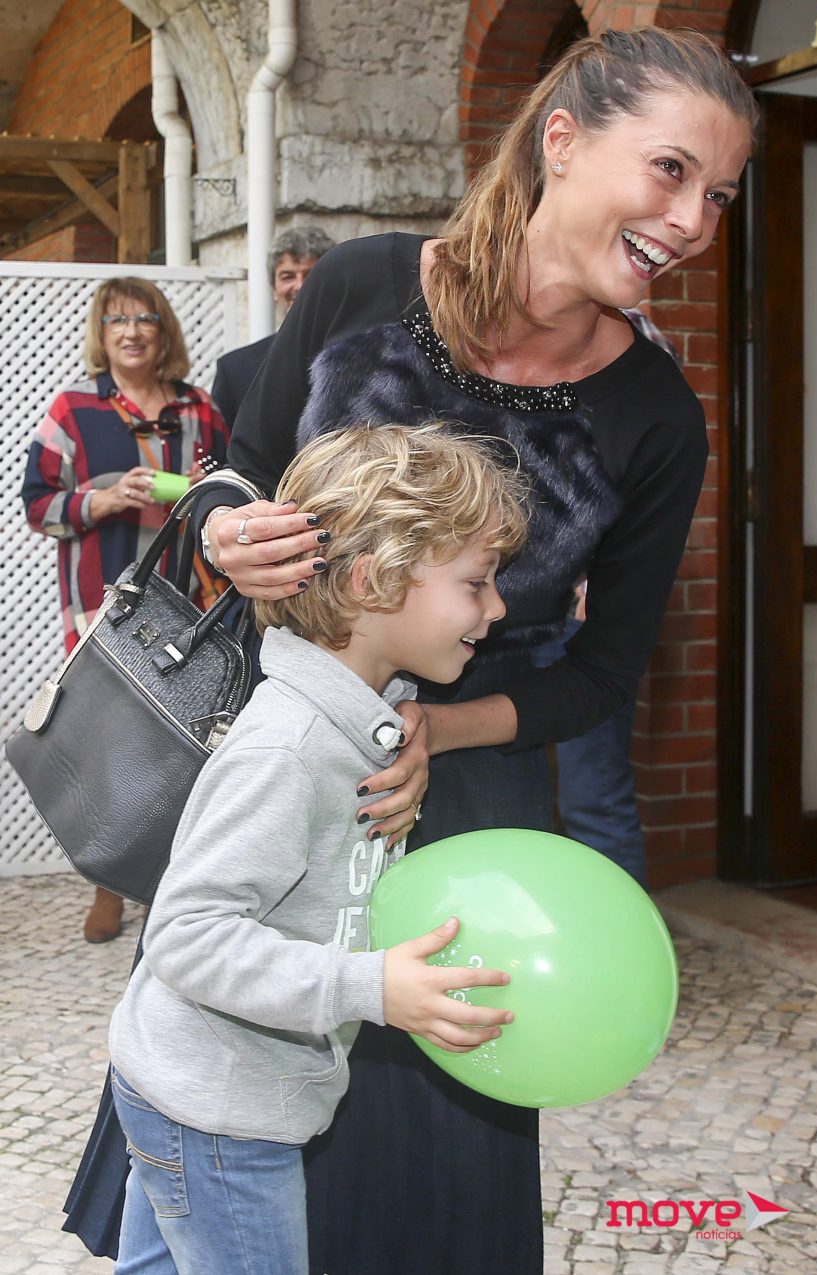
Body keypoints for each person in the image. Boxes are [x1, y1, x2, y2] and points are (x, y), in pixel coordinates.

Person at [64, 27, 758, 1273]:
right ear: (561, 140)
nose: (695, 218)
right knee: (236, 1074)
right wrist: (233, 534)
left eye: (716, 194)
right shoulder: (363, 283)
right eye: (668, 171)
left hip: (462, 793)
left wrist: (436, 728)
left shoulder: (657, 415)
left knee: (431, 1135)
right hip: (281, 732)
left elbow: (605, 673)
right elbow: (233, 471)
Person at [107, 422, 526, 1273]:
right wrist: (370, 984)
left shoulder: (363, 719)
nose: (498, 607)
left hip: (201, 1091)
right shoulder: (289, 748)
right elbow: (186, 935)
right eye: (477, 583)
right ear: (374, 584)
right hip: (219, 1114)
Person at [22, 278, 229, 944]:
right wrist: (105, 499)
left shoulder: (199, 408)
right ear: (101, 333)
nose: (132, 330)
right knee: (109, 746)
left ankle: (167, 886)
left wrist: (205, 494)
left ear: (163, 330)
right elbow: (38, 505)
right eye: (118, 320)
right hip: (104, 608)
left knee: (186, 744)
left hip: (191, 603)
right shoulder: (74, 409)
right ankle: (106, 883)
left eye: (144, 318)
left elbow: (227, 487)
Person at [534, 309, 681, 885]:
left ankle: (623, 965)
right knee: (502, 790)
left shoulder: (641, 342)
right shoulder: (515, 324)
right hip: (489, 611)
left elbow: (646, 481)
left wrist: (599, 588)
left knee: (592, 797)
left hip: (578, 612)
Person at [212, 227, 335, 429]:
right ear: (274, 290)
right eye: (287, 276)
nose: (300, 286)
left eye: (311, 275)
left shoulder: (364, 359)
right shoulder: (235, 370)